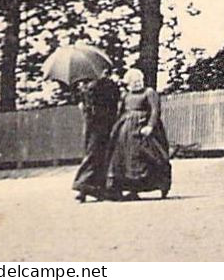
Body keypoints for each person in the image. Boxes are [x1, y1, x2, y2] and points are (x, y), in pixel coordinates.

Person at [105, 67, 172, 199]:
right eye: (134, 82)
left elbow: (155, 111)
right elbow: (120, 112)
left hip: (143, 130)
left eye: (139, 80)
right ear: (128, 83)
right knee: (125, 159)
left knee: (150, 156)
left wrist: (150, 126)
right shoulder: (125, 95)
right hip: (126, 132)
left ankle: (161, 184)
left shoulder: (149, 93)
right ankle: (130, 189)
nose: (137, 83)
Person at [72, 70, 121, 202]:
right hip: (98, 124)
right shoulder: (97, 86)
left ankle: (96, 188)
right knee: (94, 154)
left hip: (98, 123)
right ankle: (83, 186)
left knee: (99, 155)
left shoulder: (90, 86)